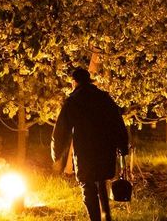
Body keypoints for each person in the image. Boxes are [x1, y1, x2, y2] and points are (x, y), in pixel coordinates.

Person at [51, 67, 129, 221]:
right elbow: (117, 122)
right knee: (101, 183)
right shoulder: (104, 98)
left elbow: (61, 129)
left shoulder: (73, 101)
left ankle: (95, 219)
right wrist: (122, 145)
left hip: (85, 151)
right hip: (105, 148)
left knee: (88, 187)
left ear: (74, 82)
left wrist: (57, 153)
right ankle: (106, 217)